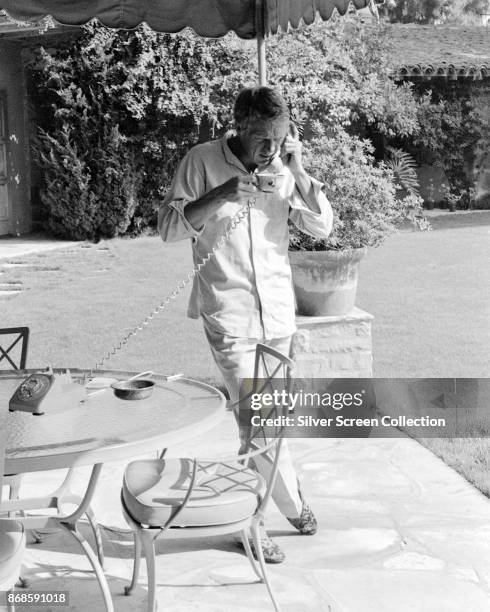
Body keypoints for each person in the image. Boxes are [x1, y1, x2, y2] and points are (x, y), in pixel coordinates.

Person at [158, 86, 333, 562]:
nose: (271, 147)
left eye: (279, 135)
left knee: (269, 420)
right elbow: (169, 228)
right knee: (256, 420)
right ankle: (262, 520)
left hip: (278, 312)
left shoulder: (282, 165)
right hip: (229, 312)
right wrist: (222, 194)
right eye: (262, 137)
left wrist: (297, 170)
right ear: (238, 126)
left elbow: (323, 227)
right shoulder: (201, 161)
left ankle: (271, 508)